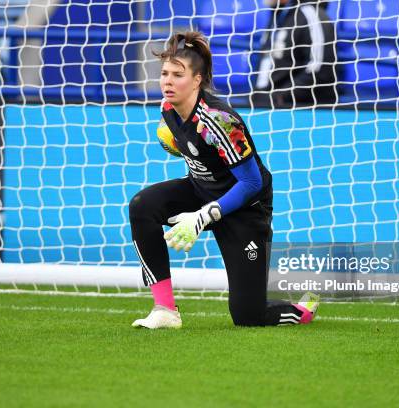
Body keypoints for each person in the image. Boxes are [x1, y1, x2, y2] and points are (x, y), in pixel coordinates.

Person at [129, 31, 319, 329]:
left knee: (248, 317)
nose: (167, 81)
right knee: (142, 205)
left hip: (243, 207)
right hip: (200, 190)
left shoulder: (219, 121)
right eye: (164, 73)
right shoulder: (168, 108)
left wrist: (204, 216)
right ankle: (165, 309)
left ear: (197, 79)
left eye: (177, 75)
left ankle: (304, 308)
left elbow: (251, 183)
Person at [253, 0, 338, 107]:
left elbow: (320, 68)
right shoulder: (278, 15)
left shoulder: (311, 14)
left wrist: (281, 97)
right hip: (264, 104)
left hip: (296, 110)